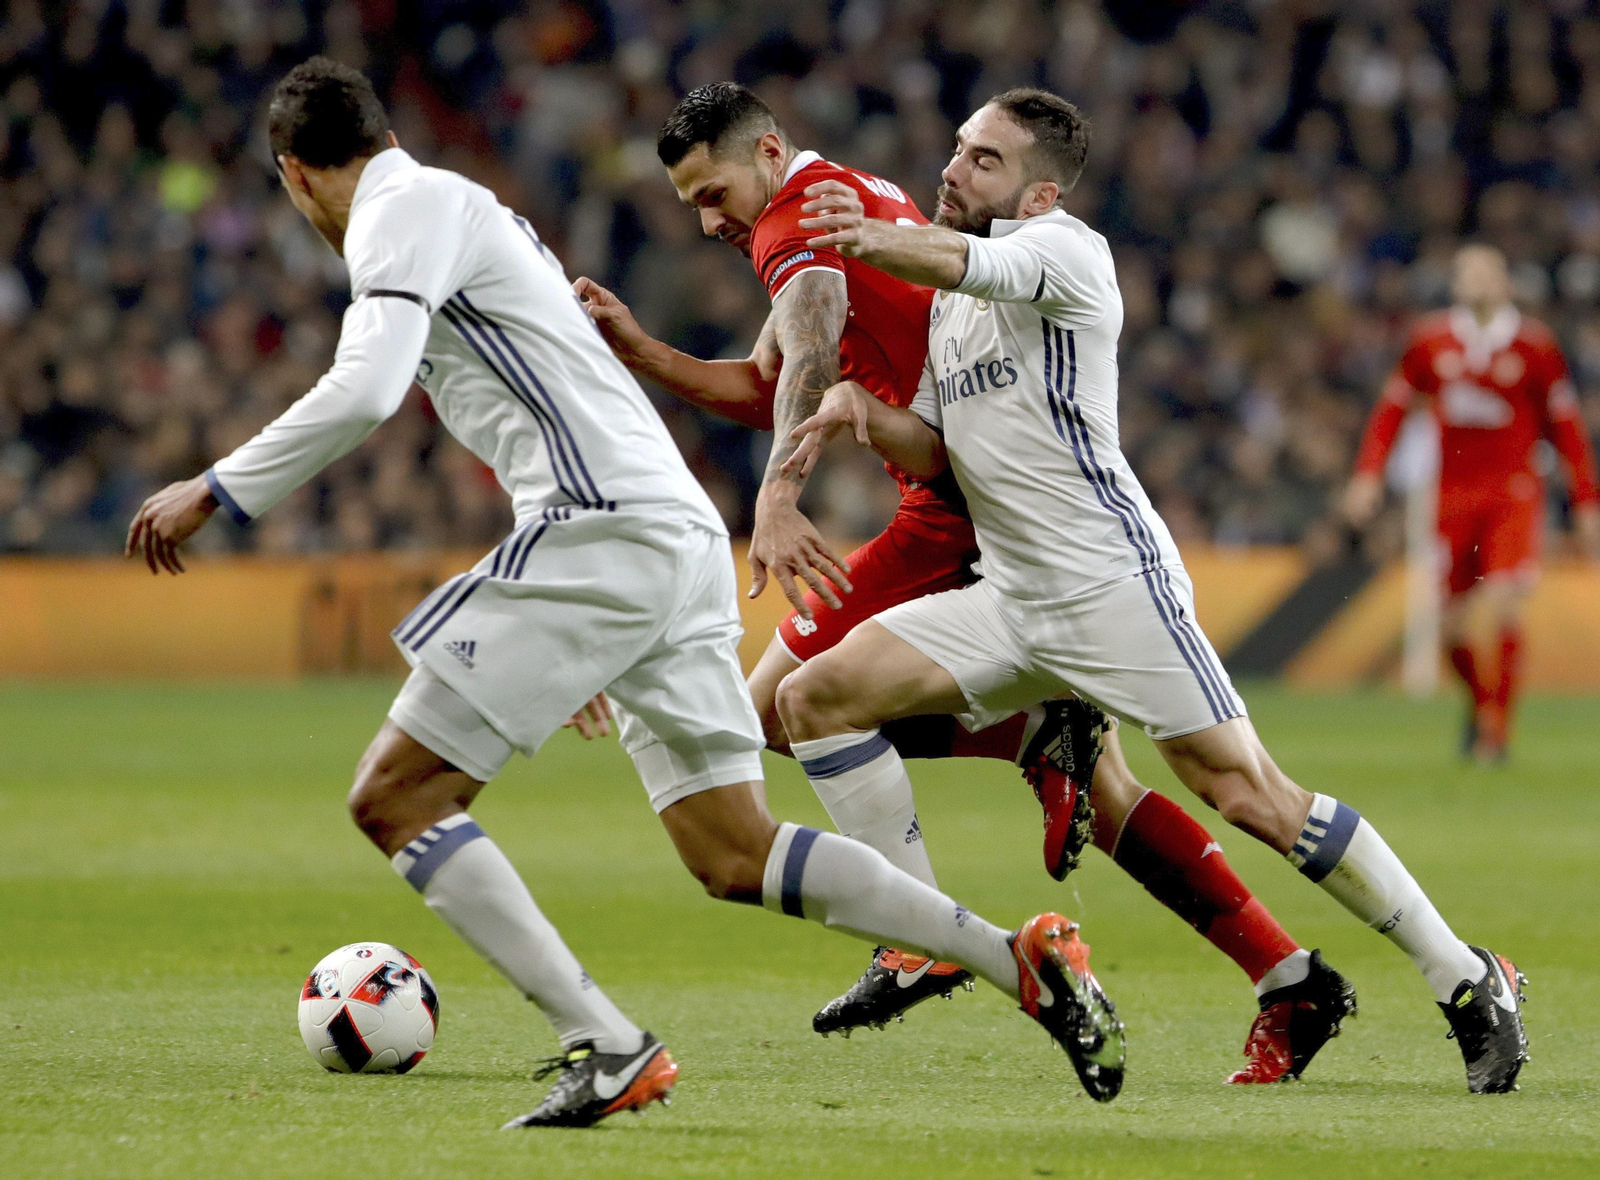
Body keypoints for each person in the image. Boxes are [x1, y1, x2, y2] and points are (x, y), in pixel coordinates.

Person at [124, 58, 1128, 1124]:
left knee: (396, 797)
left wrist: (219, 486)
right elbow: (570, 402)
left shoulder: (397, 215)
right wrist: (582, 630)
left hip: (601, 534)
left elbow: (369, 386)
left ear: (295, 172)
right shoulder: (473, 212)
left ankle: (604, 1044)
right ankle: (1017, 960)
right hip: (660, 535)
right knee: (733, 851)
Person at [571, 81, 1338, 1084]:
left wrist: (776, 495)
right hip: (972, 499)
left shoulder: (792, 226)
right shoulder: (846, 195)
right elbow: (766, 383)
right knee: (1104, 802)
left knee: (777, 711)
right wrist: (641, 350)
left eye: (713, 193)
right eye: (691, 209)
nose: (710, 222)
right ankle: (1284, 974)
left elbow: (807, 341)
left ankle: (941, 901)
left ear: (764, 154)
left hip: (952, 512)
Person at [778, 87, 1529, 1095]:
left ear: (1038, 189)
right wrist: (860, 411)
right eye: (957, 149)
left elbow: (960, 256)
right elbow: (944, 449)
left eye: (985, 160)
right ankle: (923, 935)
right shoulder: (954, 312)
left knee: (1248, 793)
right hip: (1008, 598)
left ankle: (1465, 974)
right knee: (811, 700)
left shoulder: (1063, 250)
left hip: (1108, 585)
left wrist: (862, 238)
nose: (955, 170)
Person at [1345, 244, 1600, 762]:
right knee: (1450, 628)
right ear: (1455, 283)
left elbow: (1567, 428)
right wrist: (1367, 477)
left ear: (1506, 282)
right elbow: (1391, 411)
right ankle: (1483, 706)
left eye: (1487, 271)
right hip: (1452, 497)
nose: (1476, 281)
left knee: (1506, 602)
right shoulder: (1430, 340)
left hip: (1514, 494)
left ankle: (1496, 733)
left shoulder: (1534, 346)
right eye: (1466, 273)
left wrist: (1586, 501)